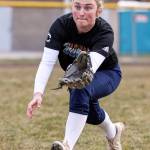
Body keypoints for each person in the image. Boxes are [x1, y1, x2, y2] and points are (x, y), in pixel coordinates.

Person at [26, 0, 125, 149]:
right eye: (77, 6)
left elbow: (88, 68)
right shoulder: (60, 26)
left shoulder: (104, 32)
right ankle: (114, 132)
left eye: (88, 7)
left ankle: (67, 145)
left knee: (80, 89)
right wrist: (38, 93)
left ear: (98, 10)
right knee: (91, 114)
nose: (81, 12)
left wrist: (74, 79)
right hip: (78, 75)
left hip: (108, 73)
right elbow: (47, 62)